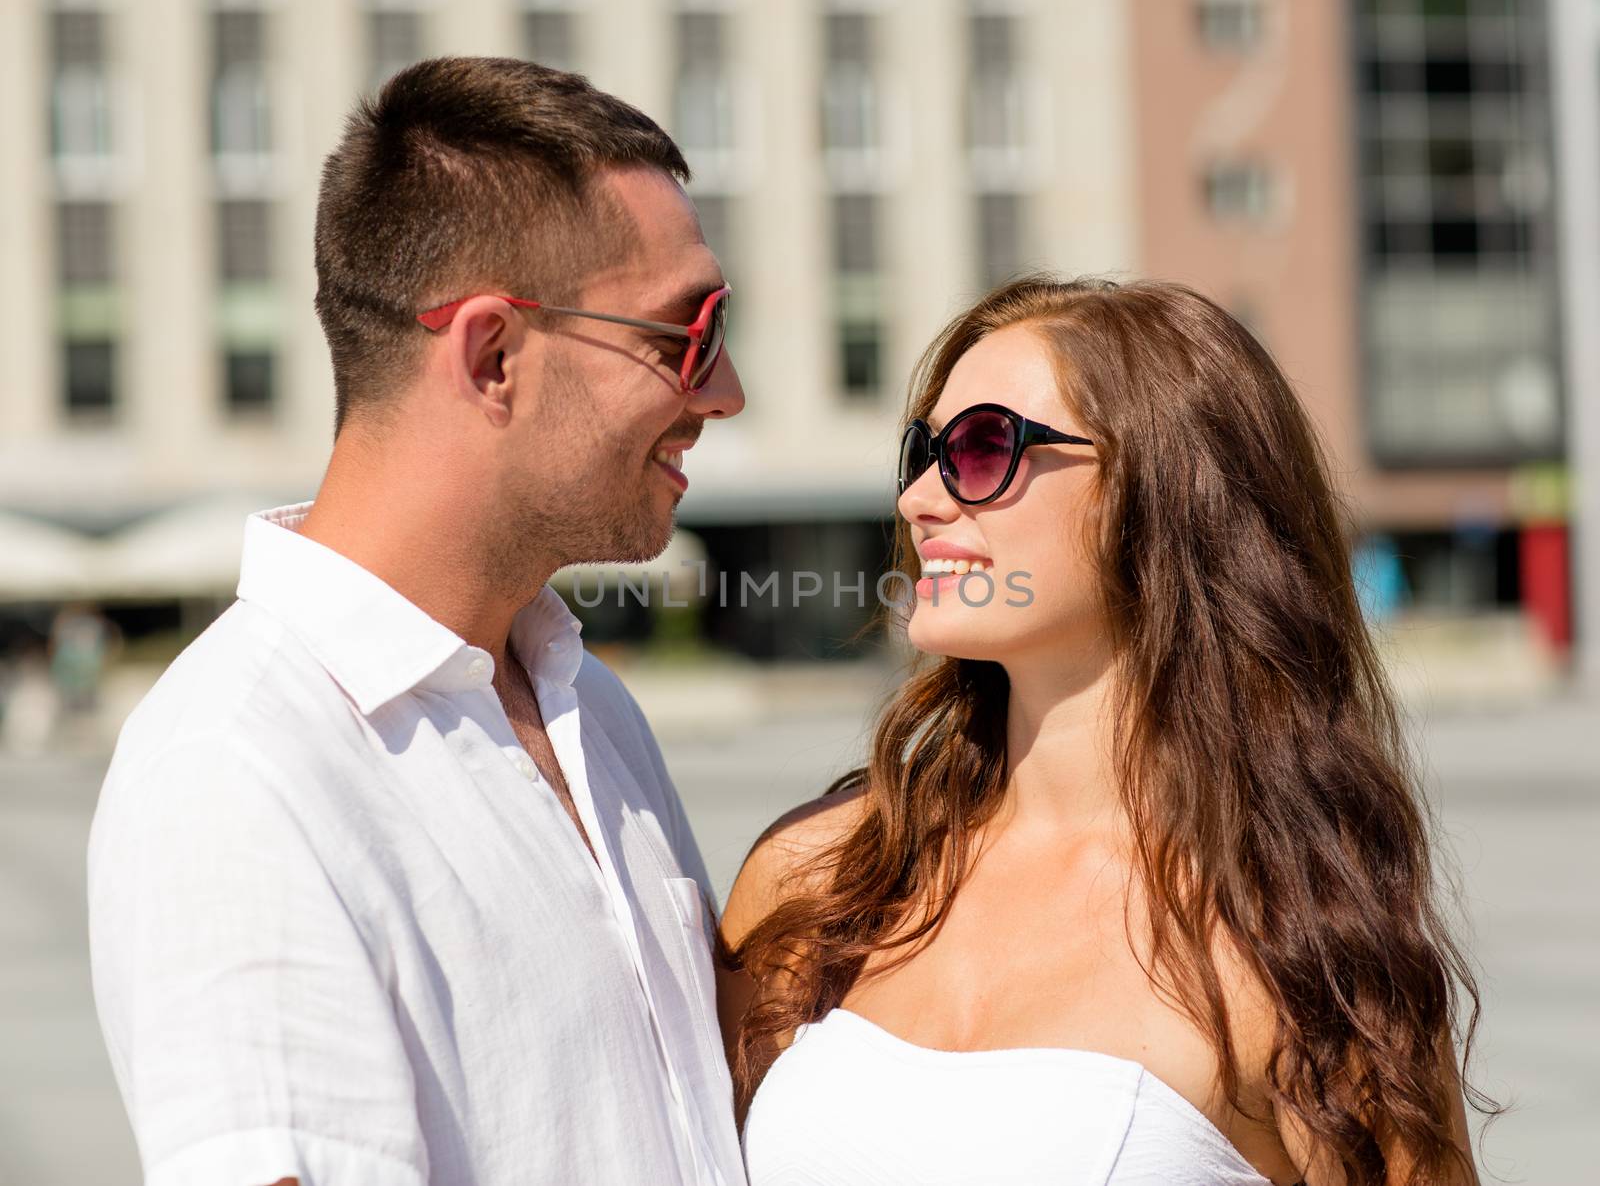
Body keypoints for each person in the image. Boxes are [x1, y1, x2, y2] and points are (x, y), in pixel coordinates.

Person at [89, 57, 746, 1186]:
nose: (724, 389)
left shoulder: (588, 707)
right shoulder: (237, 772)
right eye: (683, 334)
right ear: (493, 355)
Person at [721, 276, 1490, 1186]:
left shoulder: (1294, 943)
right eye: (922, 452)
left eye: (980, 448)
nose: (919, 499)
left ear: (1164, 491)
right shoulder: (820, 875)